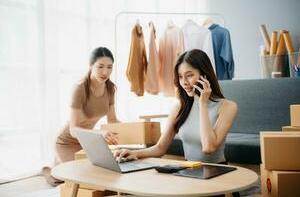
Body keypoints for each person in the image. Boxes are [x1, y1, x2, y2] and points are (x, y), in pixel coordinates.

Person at [114, 49, 238, 165]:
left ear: (204, 75)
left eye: (189, 75)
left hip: (218, 171)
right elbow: (160, 148)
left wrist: (203, 104)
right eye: (180, 77)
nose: (184, 82)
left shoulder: (227, 107)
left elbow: (208, 147)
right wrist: (133, 153)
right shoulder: (180, 107)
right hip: (189, 171)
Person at [43, 47, 120, 186]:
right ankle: (53, 172)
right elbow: (73, 130)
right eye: (100, 66)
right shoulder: (79, 89)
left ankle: (57, 169)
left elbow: (113, 120)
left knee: (104, 173)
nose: (105, 72)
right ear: (91, 66)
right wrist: (100, 134)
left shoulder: (110, 88)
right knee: (86, 178)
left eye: (109, 67)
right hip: (66, 142)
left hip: (87, 140)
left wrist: (135, 130)